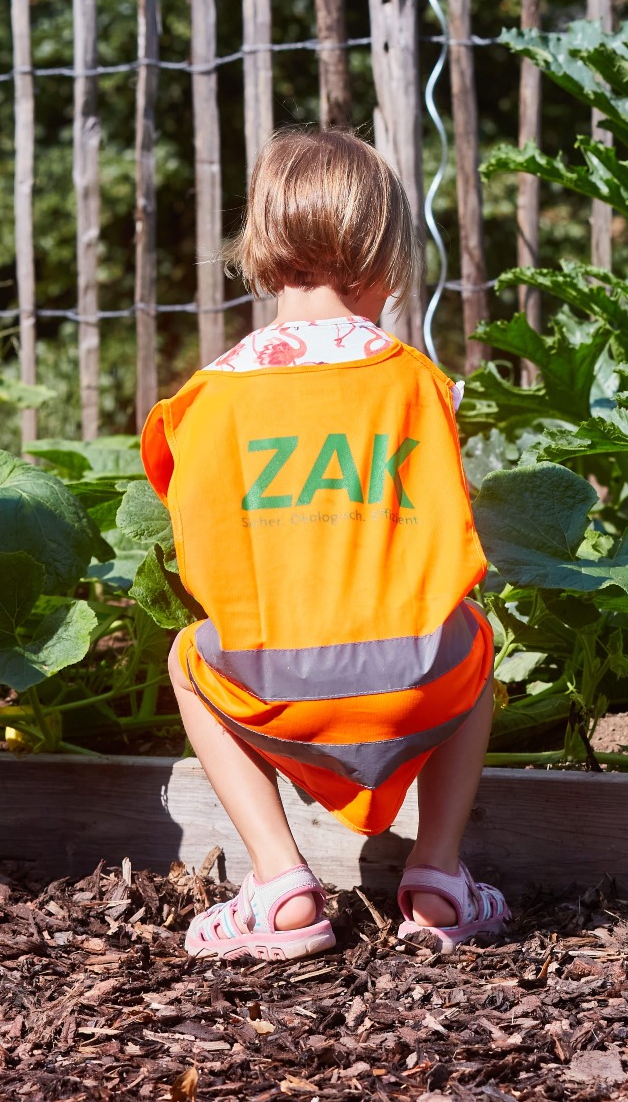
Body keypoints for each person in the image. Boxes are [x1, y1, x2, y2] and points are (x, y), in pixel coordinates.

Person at [142, 129, 508, 960]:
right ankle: (439, 875)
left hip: (272, 690)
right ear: (383, 255)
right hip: (415, 685)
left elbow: (184, 507)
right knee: (474, 631)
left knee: (185, 658)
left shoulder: (206, 398)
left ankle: (280, 884)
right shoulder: (419, 382)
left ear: (262, 247)